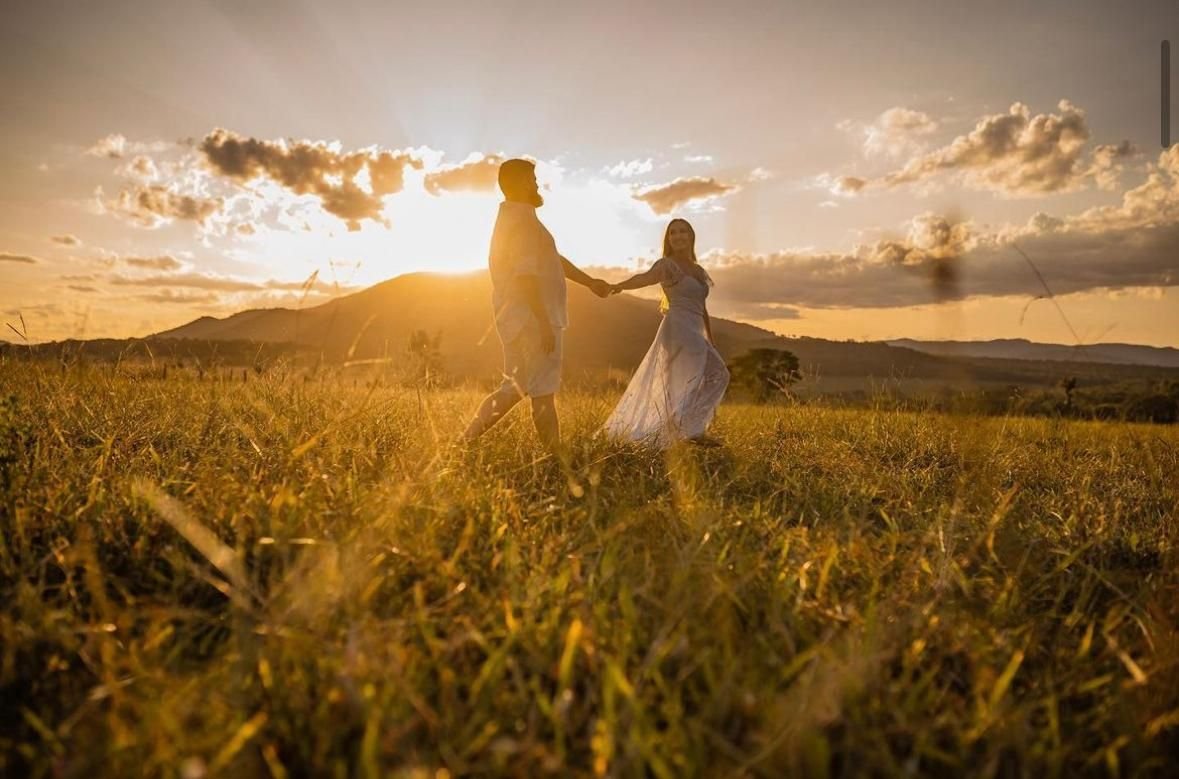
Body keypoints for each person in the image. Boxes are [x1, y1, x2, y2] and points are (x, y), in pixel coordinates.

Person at [461, 158, 613, 450]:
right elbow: (526, 276)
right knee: (543, 392)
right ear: (520, 183)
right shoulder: (523, 222)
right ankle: (555, 458)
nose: (537, 184)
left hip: (517, 317)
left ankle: (463, 442)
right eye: (532, 179)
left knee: (513, 388)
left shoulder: (514, 218)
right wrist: (543, 322)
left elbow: (552, 260)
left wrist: (589, 282)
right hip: (533, 319)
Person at [602, 218, 729, 447]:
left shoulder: (699, 271)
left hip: (695, 329)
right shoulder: (667, 266)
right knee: (700, 377)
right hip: (678, 328)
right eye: (673, 233)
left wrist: (710, 339)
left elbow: (702, 308)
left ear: (691, 236)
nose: (678, 236)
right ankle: (685, 428)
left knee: (716, 375)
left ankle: (688, 428)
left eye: (683, 231)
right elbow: (644, 278)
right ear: (668, 239)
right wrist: (618, 286)